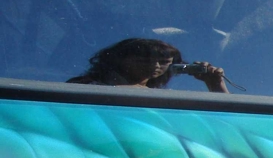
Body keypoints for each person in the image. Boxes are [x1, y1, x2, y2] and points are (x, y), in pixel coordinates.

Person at [68, 38, 228, 92]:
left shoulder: (161, 97)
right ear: (119, 59)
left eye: (164, 62)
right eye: (144, 60)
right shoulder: (86, 86)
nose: (155, 66)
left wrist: (215, 85)